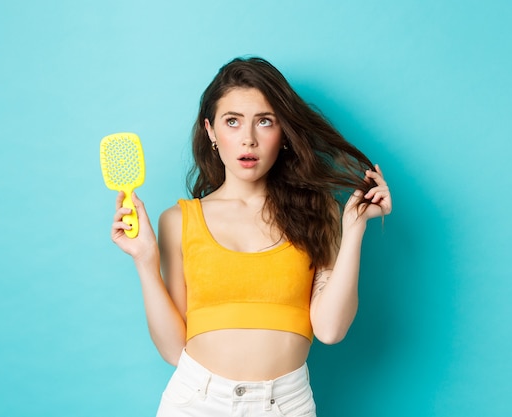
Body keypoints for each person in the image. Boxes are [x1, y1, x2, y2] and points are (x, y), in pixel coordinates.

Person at [110, 56, 392, 417]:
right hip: (196, 402)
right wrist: (145, 261)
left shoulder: (316, 211)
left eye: (264, 121)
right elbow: (173, 350)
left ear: (284, 132)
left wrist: (354, 229)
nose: (248, 139)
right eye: (232, 122)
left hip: (286, 404)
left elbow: (331, 329)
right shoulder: (178, 221)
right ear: (211, 130)